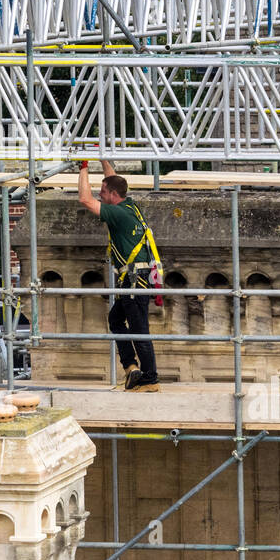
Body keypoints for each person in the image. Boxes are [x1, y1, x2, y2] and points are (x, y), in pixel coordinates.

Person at [76, 159, 160, 392]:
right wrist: (103, 160)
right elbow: (113, 181)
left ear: (113, 195)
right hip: (136, 277)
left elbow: (85, 199)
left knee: (139, 329)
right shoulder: (129, 205)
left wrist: (83, 167)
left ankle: (150, 379)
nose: (100, 195)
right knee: (116, 320)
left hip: (135, 279)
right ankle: (132, 367)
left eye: (103, 192)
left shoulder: (117, 215)